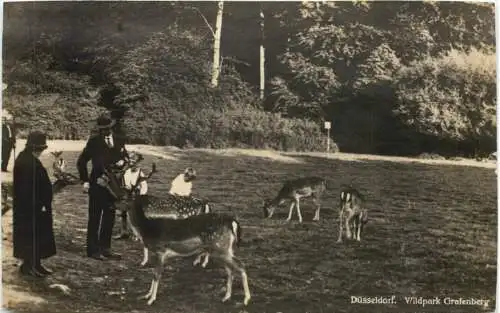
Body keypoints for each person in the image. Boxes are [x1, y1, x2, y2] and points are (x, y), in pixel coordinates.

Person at [77, 115, 128, 261]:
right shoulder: (93, 142)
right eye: (102, 129)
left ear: (111, 127)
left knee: (109, 217)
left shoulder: (120, 139)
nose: (105, 132)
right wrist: (85, 181)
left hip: (113, 185)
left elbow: (125, 158)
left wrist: (122, 163)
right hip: (97, 184)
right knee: (95, 217)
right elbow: (81, 161)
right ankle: (93, 250)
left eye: (107, 129)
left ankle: (106, 248)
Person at [13, 131, 55, 277]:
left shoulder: (30, 159)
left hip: (36, 205)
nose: (41, 151)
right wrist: (38, 204)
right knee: (30, 235)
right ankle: (29, 265)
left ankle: (36, 263)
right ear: (34, 147)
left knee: (39, 235)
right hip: (30, 207)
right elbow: (26, 189)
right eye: (40, 149)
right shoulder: (26, 162)